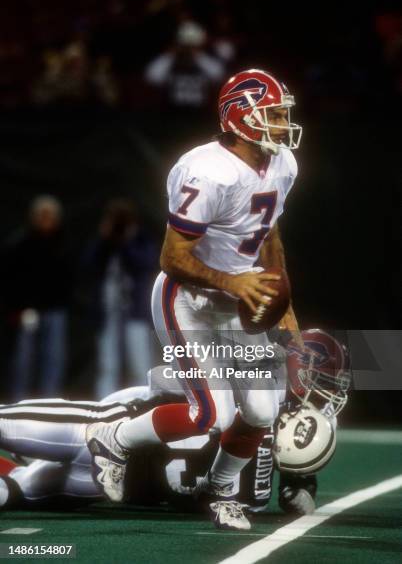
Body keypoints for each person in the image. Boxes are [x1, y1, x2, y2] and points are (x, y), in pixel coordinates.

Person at [86, 68, 303, 530]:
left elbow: (269, 234)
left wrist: (283, 306)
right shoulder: (205, 169)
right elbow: (171, 258)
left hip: (238, 295)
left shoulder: (283, 162)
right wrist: (234, 283)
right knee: (210, 413)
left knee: (262, 410)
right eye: (274, 115)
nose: (284, 124)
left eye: (284, 114)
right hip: (186, 296)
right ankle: (114, 436)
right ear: (240, 118)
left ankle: (221, 489)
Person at [0, 330, 350, 513]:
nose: (324, 400)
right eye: (323, 384)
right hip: (105, 428)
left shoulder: (267, 426)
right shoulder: (248, 383)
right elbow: (165, 378)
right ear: (299, 369)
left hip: (123, 482)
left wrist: (298, 480)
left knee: (12, 490)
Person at [82, 199, 158, 396]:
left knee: (140, 364)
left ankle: (143, 402)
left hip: (135, 311)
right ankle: (103, 405)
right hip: (108, 310)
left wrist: (126, 242)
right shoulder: (104, 243)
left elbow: (146, 263)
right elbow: (88, 265)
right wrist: (104, 238)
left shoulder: (141, 239)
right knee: (107, 364)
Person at [1, 196, 73, 399]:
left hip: (55, 310)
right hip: (28, 310)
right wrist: (16, 308)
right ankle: (19, 401)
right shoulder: (19, 244)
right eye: (42, 215)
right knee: (24, 357)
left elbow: (68, 277)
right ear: (33, 217)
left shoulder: (63, 244)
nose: (45, 220)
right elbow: (10, 278)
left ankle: (51, 401)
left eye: (49, 216)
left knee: (53, 357)